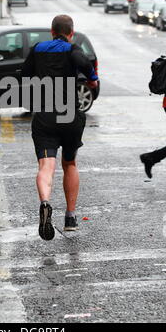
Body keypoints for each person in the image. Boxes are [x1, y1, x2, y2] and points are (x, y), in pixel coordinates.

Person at [21, 15, 99, 241]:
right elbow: (85, 63)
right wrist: (92, 79)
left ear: (52, 31)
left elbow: (25, 74)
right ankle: (71, 217)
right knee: (70, 163)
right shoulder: (71, 48)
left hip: (45, 116)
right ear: (71, 32)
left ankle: (45, 202)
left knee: (46, 165)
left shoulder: (38, 48)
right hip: (70, 116)